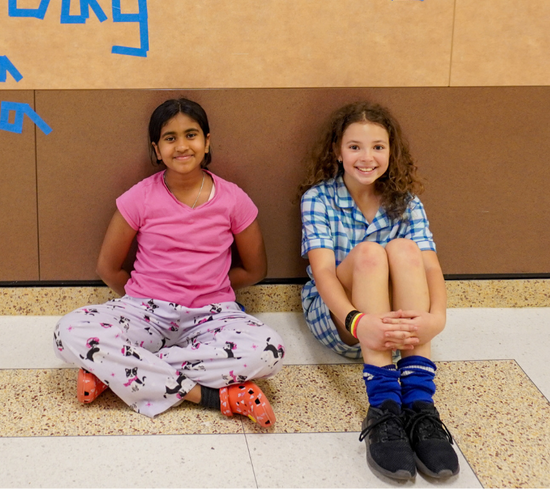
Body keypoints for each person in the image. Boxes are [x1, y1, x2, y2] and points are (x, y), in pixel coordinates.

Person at [54, 97, 285, 426]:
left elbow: (255, 269)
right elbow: (108, 268)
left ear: (207, 143)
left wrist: (208, 290)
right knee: (68, 333)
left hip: (212, 316)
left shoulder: (234, 199)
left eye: (191, 135)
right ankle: (215, 396)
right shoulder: (140, 197)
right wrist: (145, 294)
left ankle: (115, 373)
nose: (182, 146)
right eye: (170, 138)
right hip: (144, 310)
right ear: (156, 148)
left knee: (270, 350)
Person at [298, 101, 460, 480]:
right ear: (337, 151)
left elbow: (431, 266)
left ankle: (420, 406)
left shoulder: (407, 202)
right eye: (355, 147)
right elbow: (323, 274)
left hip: (397, 323)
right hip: (340, 317)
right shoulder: (319, 198)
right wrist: (359, 321)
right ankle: (385, 407)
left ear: (391, 152)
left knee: (406, 250)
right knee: (370, 254)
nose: (366, 157)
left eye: (378, 147)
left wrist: (437, 318)